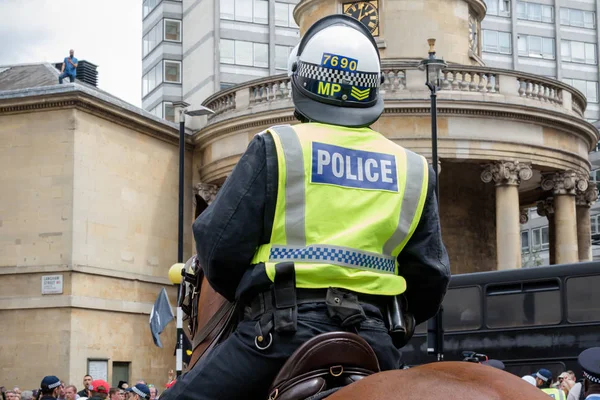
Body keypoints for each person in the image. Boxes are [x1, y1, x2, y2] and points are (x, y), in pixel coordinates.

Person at [161, 13, 450, 400]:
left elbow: (218, 250)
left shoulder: (277, 147)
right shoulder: (414, 169)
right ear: (373, 89)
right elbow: (430, 280)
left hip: (278, 334)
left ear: (300, 79)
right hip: (376, 341)